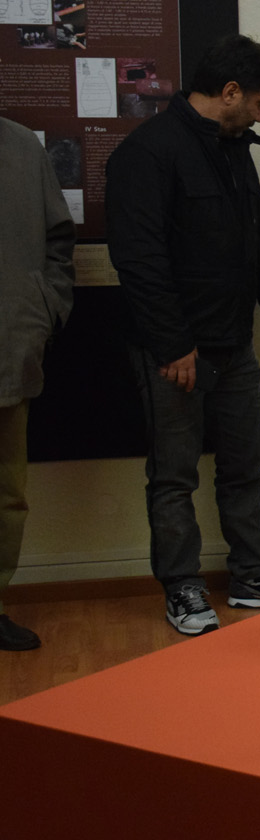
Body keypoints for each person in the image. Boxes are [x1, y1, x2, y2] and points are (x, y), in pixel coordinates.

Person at [106, 34, 260, 637]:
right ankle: (183, 588)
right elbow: (139, 261)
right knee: (174, 475)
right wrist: (173, 346)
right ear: (230, 93)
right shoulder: (146, 153)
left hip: (233, 342)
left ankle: (253, 576)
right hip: (173, 351)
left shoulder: (234, 148)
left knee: (246, 464)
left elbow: (259, 237)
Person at [0, 117, 75, 650]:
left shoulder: (21, 145)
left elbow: (57, 240)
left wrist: (45, 308)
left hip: (9, 349)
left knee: (7, 495)